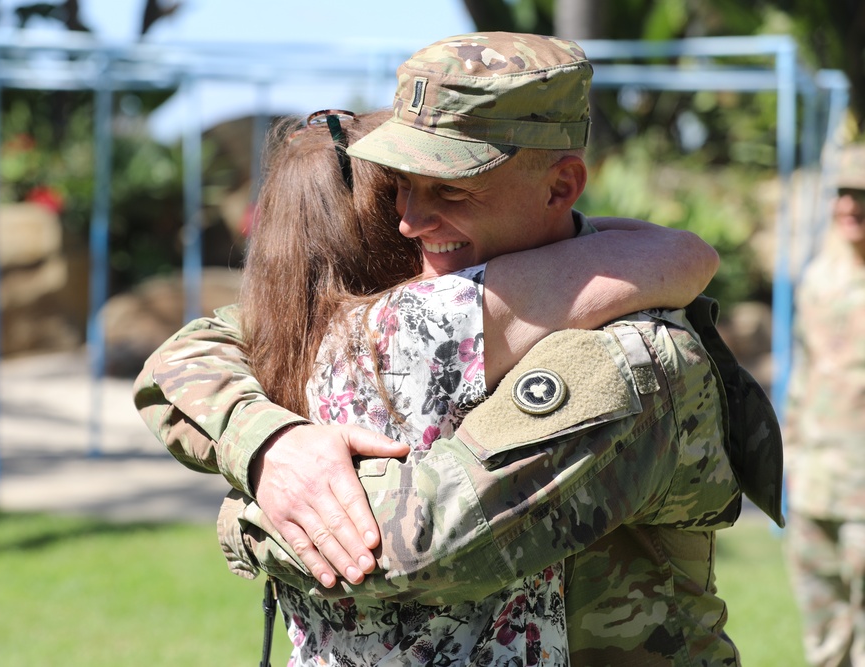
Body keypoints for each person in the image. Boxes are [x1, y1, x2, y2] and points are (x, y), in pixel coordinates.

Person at [136, 32, 783, 665]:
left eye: (451, 188)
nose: (409, 221)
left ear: (560, 187)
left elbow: (417, 547)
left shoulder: (628, 352)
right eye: (402, 184)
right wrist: (271, 442)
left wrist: (243, 513)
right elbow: (195, 352)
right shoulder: (435, 293)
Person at [785, 144, 865, 667]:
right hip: (815, 481)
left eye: (862, 194)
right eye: (842, 193)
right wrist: (790, 454)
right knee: (824, 632)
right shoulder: (820, 278)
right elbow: (803, 373)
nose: (849, 206)